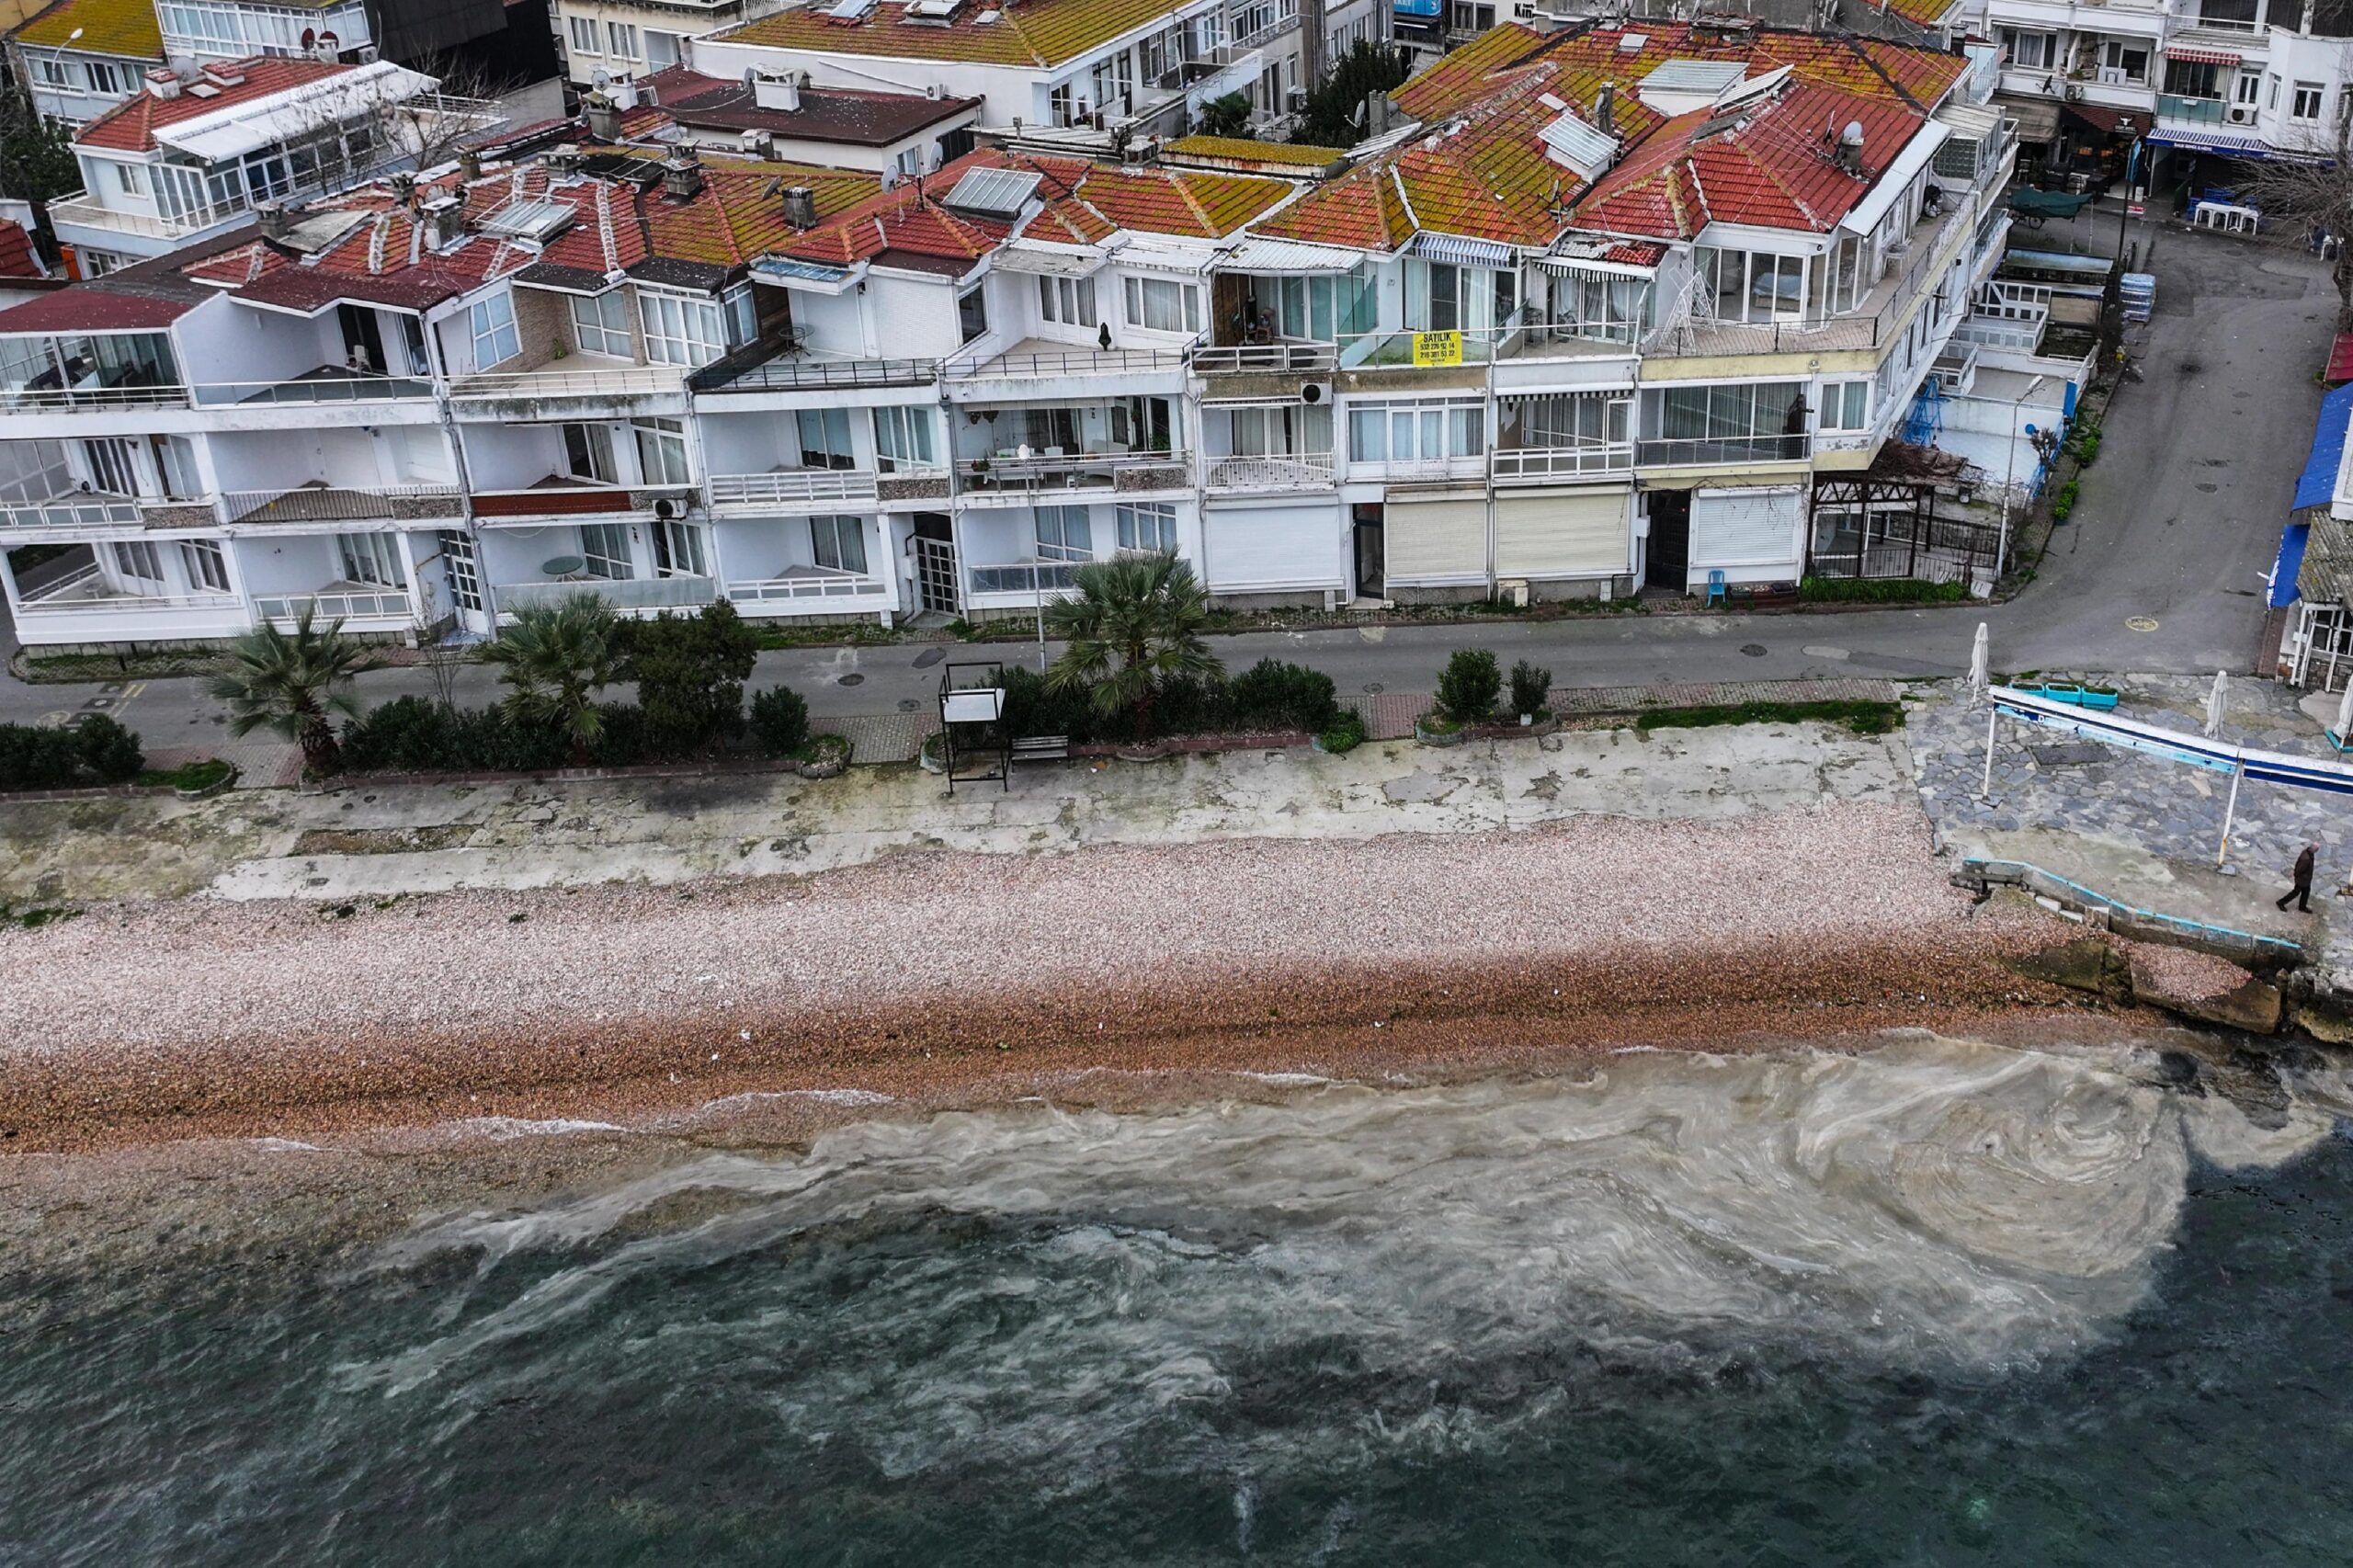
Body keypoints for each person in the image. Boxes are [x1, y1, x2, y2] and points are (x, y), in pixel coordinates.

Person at [2278, 842, 2319, 913]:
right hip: (2302, 880)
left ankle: (2302, 907)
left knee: (2306, 892)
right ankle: (2281, 902)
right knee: (2295, 892)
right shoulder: (2306, 858)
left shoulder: (2308, 852)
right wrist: (2297, 876)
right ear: (2316, 850)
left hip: (2306, 879)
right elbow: (2299, 870)